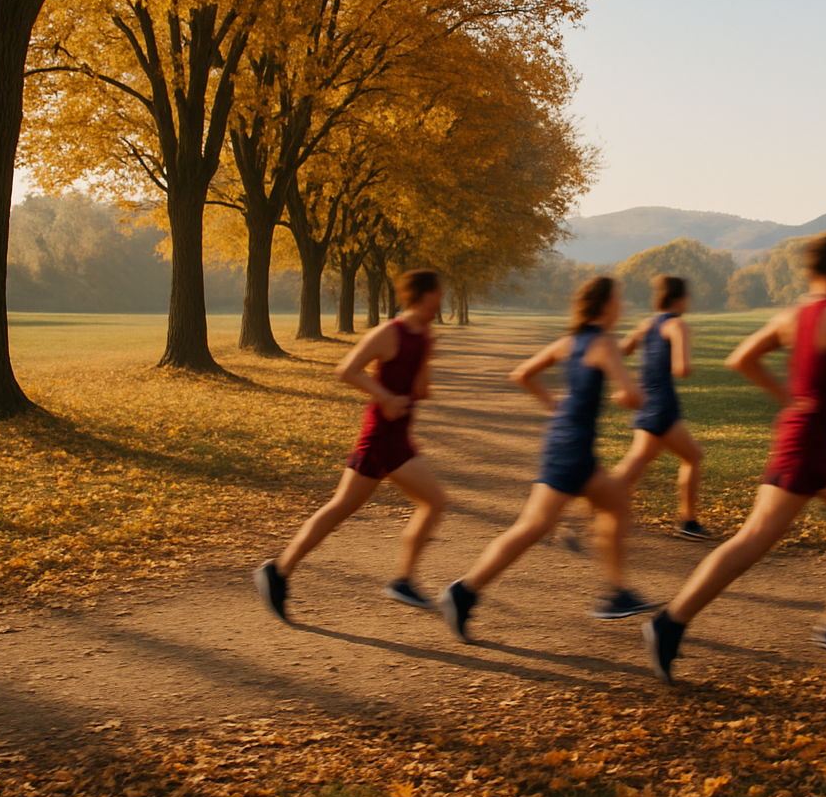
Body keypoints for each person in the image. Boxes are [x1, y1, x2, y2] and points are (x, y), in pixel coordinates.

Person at [643, 231, 826, 682]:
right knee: (752, 542)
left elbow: (742, 358)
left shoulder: (794, 316)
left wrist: (786, 396)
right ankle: (670, 622)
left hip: (812, 442)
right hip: (806, 446)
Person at [439, 276, 656, 642]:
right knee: (533, 527)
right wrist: (633, 398)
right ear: (605, 306)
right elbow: (631, 394)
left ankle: (617, 593)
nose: (622, 305)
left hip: (569, 444)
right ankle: (464, 591)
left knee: (615, 504)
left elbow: (523, 374)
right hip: (571, 450)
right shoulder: (604, 342)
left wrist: (553, 404)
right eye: (618, 299)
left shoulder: (569, 343)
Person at [254, 270, 447, 622]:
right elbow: (347, 370)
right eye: (439, 294)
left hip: (398, 438)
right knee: (428, 502)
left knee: (349, 507)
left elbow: (422, 390)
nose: (443, 299)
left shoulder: (422, 336)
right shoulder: (390, 332)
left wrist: (425, 366)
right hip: (380, 438)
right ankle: (399, 581)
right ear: (424, 295)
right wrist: (385, 396)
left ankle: (281, 571)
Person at [611, 275, 710, 542]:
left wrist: (627, 384)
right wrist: (686, 356)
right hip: (662, 405)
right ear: (681, 299)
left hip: (645, 402)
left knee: (637, 460)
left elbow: (620, 351)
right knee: (692, 457)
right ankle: (687, 522)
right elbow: (682, 368)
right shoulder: (677, 325)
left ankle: (599, 504)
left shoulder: (647, 324)